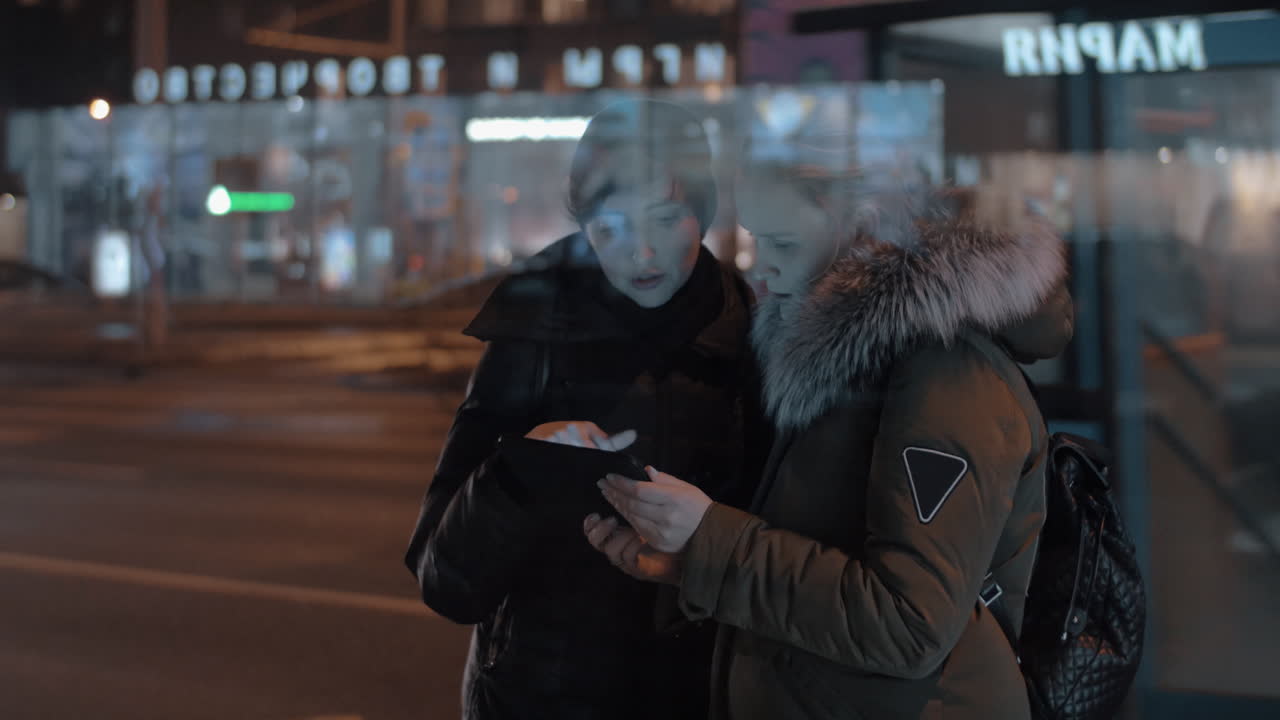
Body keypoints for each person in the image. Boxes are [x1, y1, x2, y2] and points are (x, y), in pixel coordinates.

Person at [586, 159, 1075, 720]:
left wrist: (711, 540)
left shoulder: (945, 371)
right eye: (754, 241)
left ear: (863, 228)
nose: (760, 268)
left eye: (783, 243)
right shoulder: (848, 365)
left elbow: (909, 624)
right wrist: (690, 561)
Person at [404, 99, 765, 720]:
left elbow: (790, 560)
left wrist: (696, 560)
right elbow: (445, 580)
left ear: (701, 211)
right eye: (610, 228)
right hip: (541, 696)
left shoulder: (758, 337)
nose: (641, 255)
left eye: (662, 219)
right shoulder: (534, 326)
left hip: (703, 696)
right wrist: (521, 469)